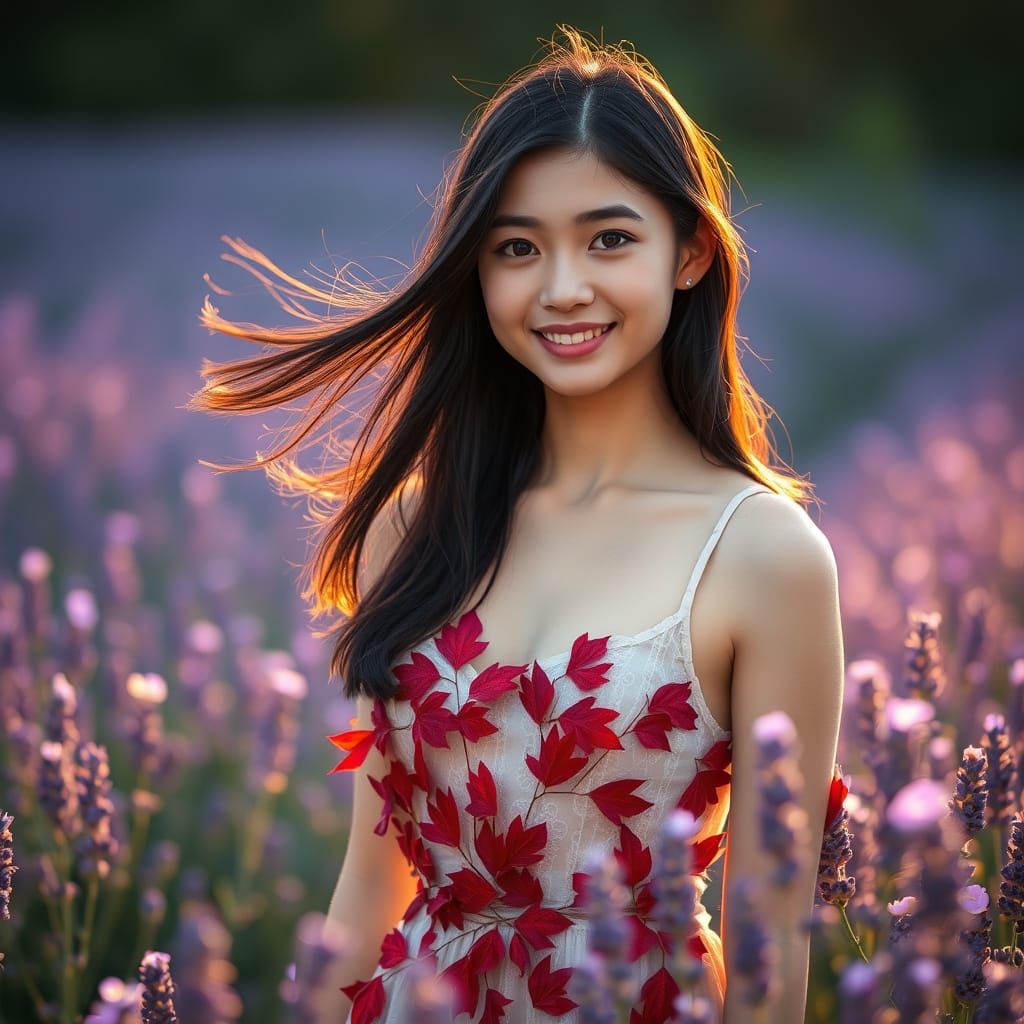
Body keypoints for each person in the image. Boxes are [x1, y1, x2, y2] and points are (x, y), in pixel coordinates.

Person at [188, 25, 844, 1024]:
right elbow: (366, 896)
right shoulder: (414, 530)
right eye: (517, 248)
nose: (562, 287)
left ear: (690, 252)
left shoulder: (763, 556)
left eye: (609, 239)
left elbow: (769, 960)